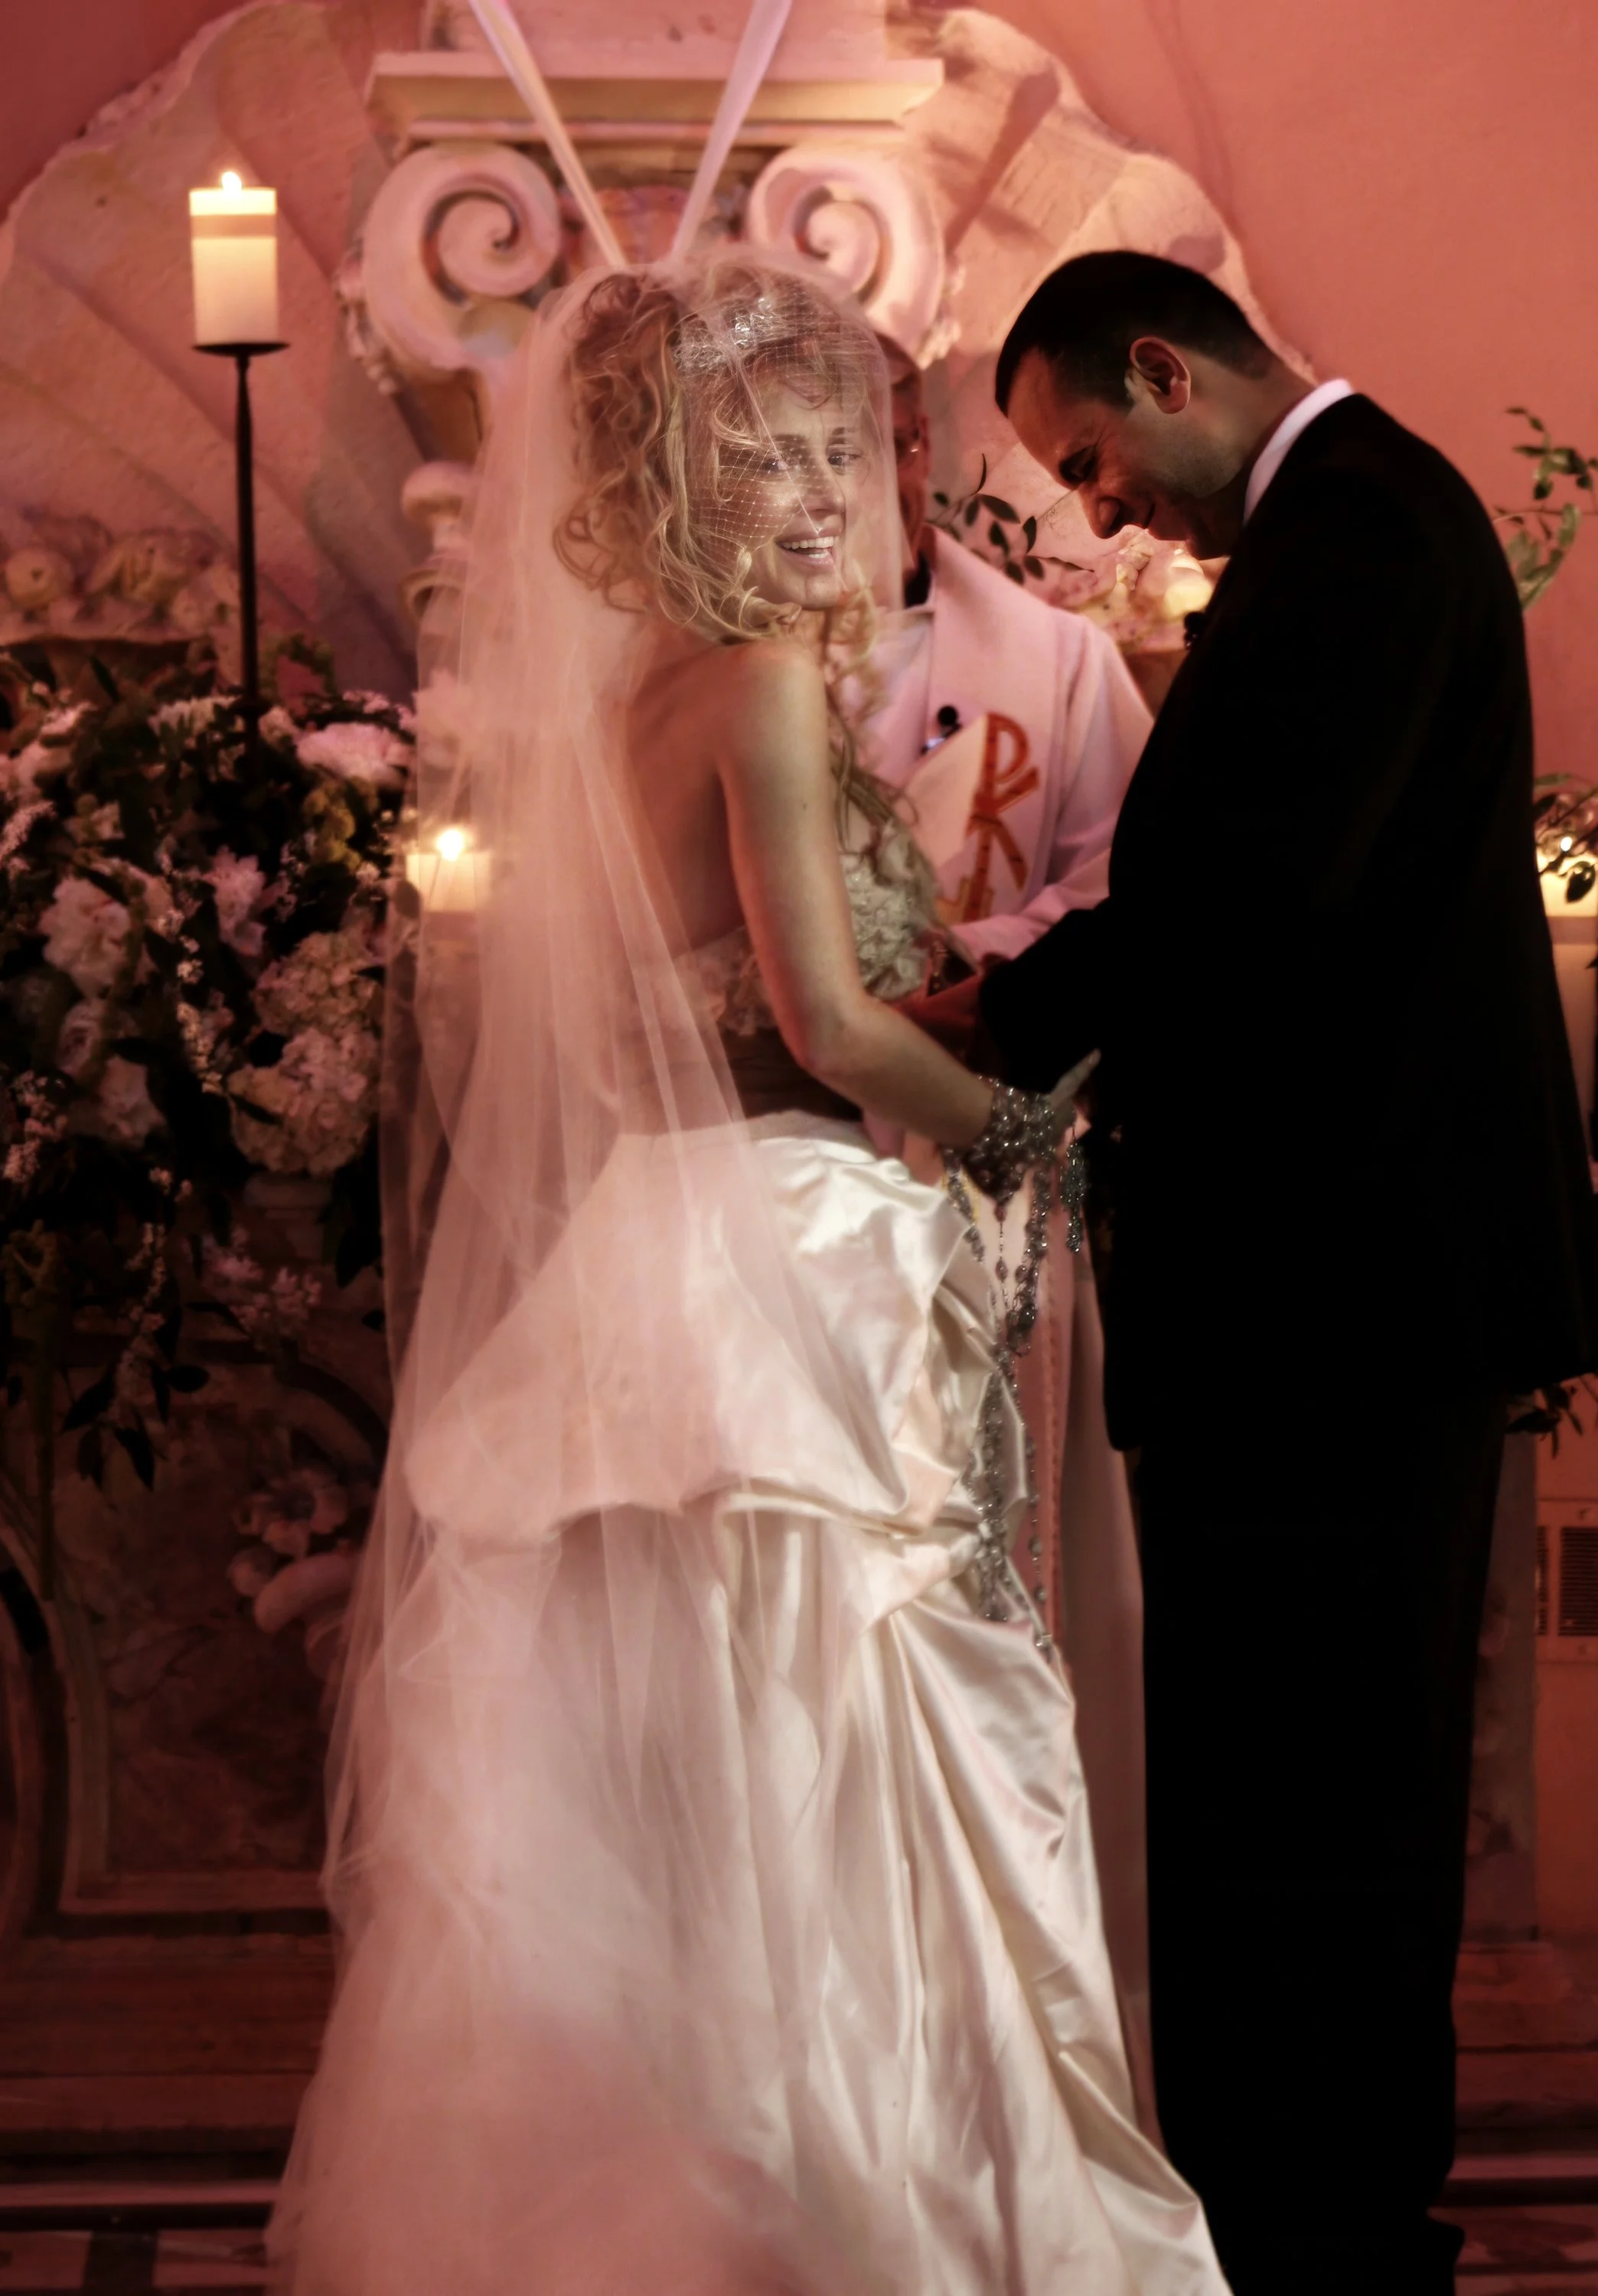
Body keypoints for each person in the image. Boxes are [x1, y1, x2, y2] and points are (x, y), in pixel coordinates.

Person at [266, 253, 1227, 2296]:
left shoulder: (633, 703)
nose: (830, 492)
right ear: (706, 480)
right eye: (779, 455)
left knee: (686, 1752)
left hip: (662, 1241)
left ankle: (674, 2190)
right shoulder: (776, 693)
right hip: (796, 1241)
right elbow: (834, 1023)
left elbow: (658, 1020)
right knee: (841, 1733)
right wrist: (1029, 1145)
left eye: (838, 453)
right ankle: (842, 2205)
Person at [930, 249, 1598, 2295]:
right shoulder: (1357, 522)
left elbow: (1249, 891)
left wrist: (992, 1011)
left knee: (1329, 1784)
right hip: (1338, 1276)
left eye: (1094, 457)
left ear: (1167, 368)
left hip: (1349, 1281)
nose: (1104, 507)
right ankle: (1289, 2203)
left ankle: (1322, 2226)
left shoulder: (1363, 533)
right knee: (1301, 1771)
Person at [866, 335, 1163, 2112]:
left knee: (1018, 1614)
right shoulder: (732, 661)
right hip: (797, 1194)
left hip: (995, 1182)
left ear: (930, 447)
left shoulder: (1053, 660)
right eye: (828, 445)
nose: (869, 480)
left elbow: (1137, 881)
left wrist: (980, 975)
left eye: (895, 440)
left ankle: (1052, 2062)